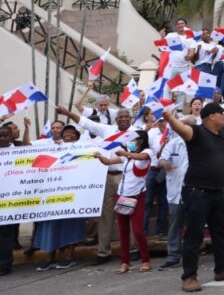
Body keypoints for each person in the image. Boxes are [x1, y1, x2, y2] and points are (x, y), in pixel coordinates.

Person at [165, 103, 224, 292]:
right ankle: (189, 276)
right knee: (194, 234)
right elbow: (182, 129)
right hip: (197, 192)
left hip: (218, 191)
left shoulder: (223, 136)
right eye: (221, 114)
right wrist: (170, 118)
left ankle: (222, 269)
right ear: (211, 116)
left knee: (221, 232)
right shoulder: (197, 132)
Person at [55, 104, 134, 265]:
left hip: (126, 178)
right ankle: (103, 252)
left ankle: (131, 250)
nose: (124, 119)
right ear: (116, 119)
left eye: (127, 117)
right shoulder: (107, 130)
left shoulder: (136, 133)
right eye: (121, 117)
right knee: (105, 217)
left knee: (128, 215)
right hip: (106, 177)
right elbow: (85, 122)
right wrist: (67, 112)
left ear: (131, 119)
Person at [95, 129, 155, 274]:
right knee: (123, 231)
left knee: (138, 231)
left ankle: (145, 260)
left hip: (137, 196)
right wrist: (99, 157)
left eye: (132, 140)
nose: (129, 143)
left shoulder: (147, 152)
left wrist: (125, 153)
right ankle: (124, 262)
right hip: (122, 196)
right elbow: (108, 161)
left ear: (140, 141)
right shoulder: (126, 157)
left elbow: (142, 157)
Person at [32, 124, 86, 270]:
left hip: (73, 193)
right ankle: (50, 258)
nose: (68, 134)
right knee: (51, 225)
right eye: (65, 132)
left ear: (77, 136)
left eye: (72, 132)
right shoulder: (54, 149)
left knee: (71, 224)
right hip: (53, 193)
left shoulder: (82, 148)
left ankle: (69, 257)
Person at [158, 125, 189, 272]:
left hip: (193, 188)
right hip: (176, 189)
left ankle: (190, 254)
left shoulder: (196, 142)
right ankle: (173, 256)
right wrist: (165, 164)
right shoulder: (172, 143)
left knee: (194, 223)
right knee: (175, 223)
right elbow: (161, 160)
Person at [0, 125, 18, 276]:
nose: (3, 139)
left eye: (5, 136)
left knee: (5, 235)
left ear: (11, 136)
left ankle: (5, 265)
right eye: (0, 136)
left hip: (9, 202)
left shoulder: (18, 152)